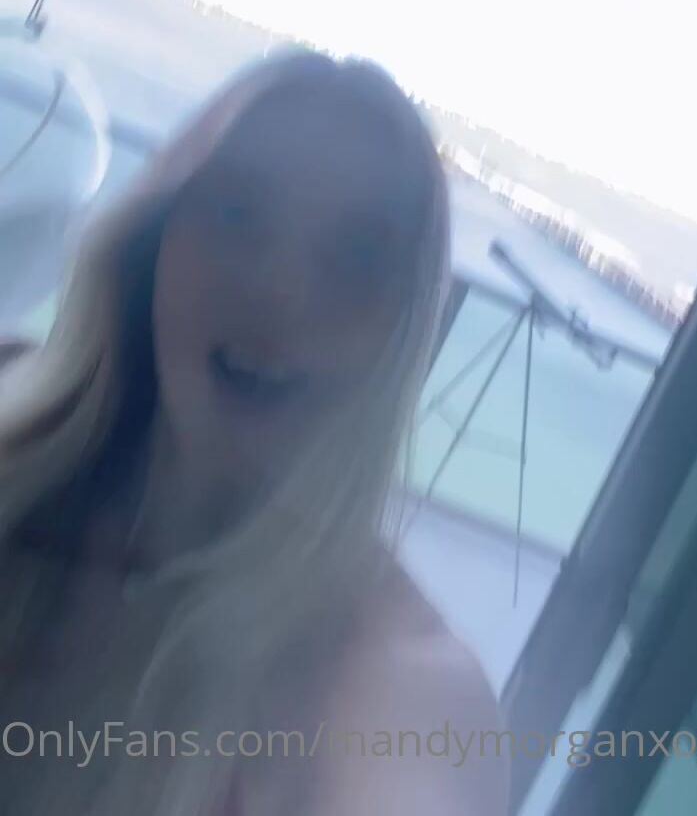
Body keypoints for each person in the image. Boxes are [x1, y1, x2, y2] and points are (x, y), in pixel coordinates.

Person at [0, 49, 508, 815]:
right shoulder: (18, 428)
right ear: (154, 240)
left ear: (403, 330)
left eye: (357, 256)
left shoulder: (393, 678)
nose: (282, 291)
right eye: (237, 213)